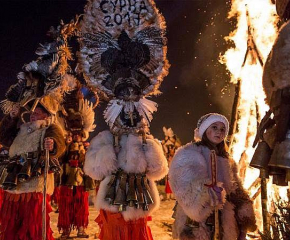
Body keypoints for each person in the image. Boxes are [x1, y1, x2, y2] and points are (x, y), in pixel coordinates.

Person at [169, 113, 256, 240]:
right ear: (205, 130)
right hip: (196, 222)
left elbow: (235, 190)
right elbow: (183, 185)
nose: (219, 132)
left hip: (224, 220)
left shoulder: (226, 159)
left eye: (222, 129)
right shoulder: (189, 153)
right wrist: (207, 191)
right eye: (214, 127)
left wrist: (244, 213)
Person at [0, 101, 66, 240]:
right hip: (14, 184)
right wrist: (12, 118)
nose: (32, 115)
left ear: (46, 115)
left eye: (37, 112)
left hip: (34, 185)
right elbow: (4, 137)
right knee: (12, 225)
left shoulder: (49, 128)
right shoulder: (21, 130)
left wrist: (52, 144)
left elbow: (59, 144)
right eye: (32, 112)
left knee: (32, 226)